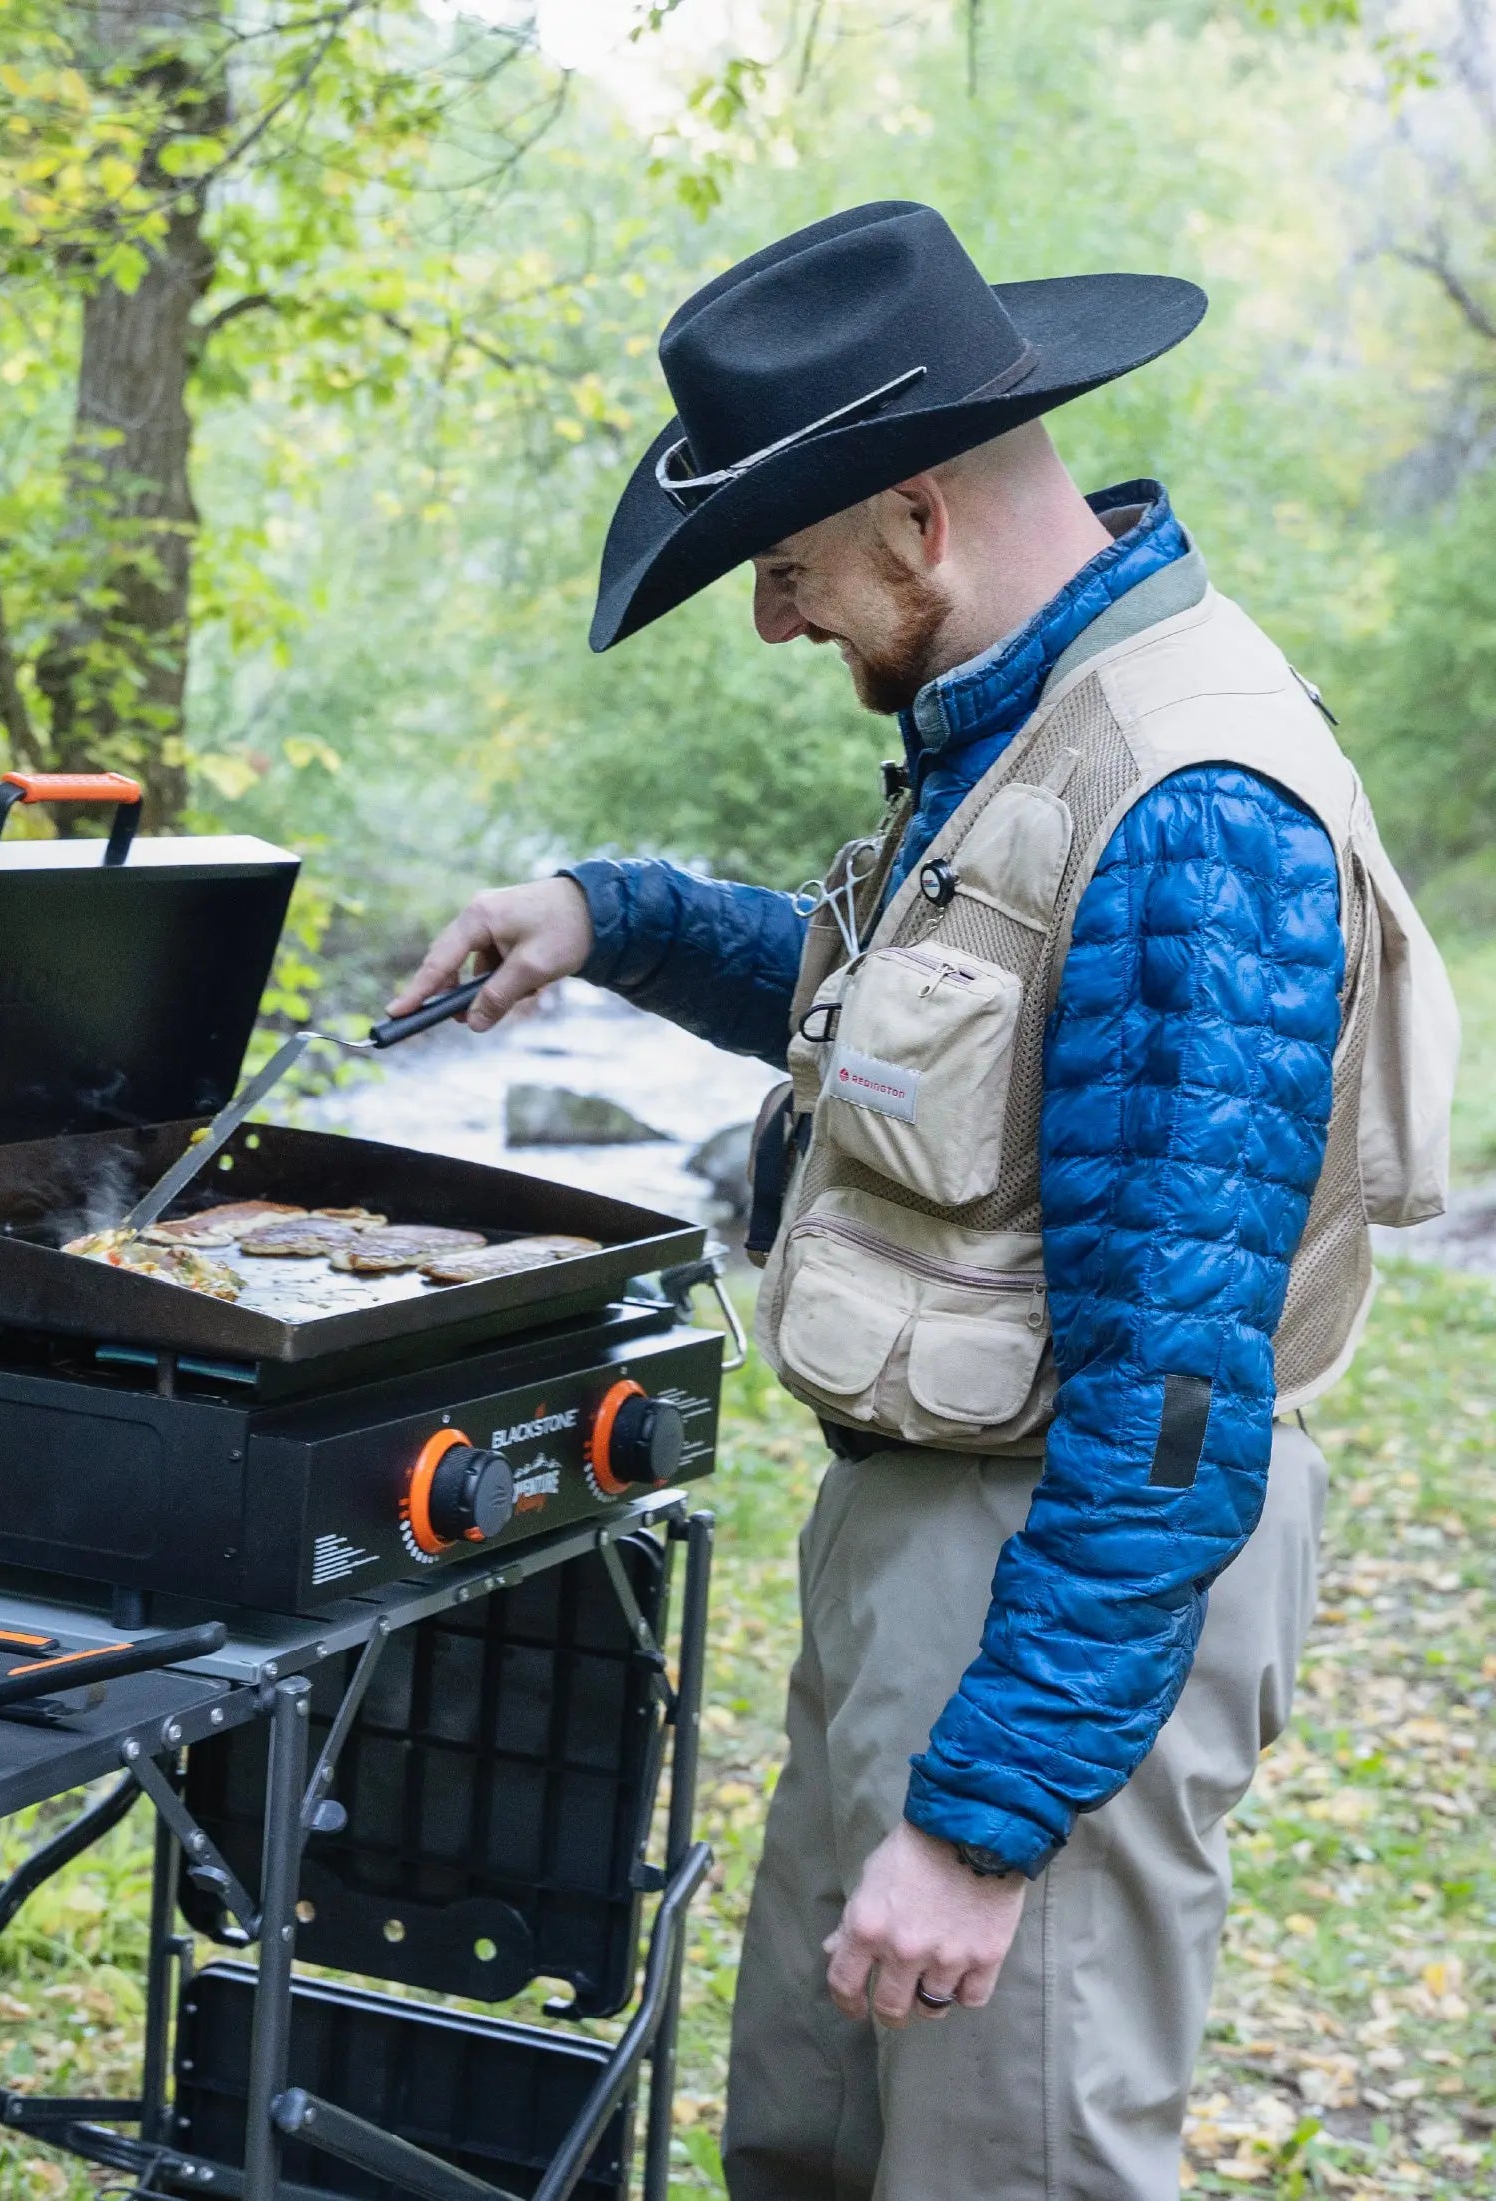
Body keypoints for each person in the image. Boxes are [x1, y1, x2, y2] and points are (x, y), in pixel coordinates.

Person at [389, 202, 1456, 2199]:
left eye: (787, 570)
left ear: (914, 517)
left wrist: (984, 1826)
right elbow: (892, 1012)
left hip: (1057, 1566)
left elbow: (1170, 1396)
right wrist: (604, 920)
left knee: (1002, 2166)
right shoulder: (1015, 730)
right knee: (815, 2137)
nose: (780, 624)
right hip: (929, 1550)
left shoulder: (1192, 805)